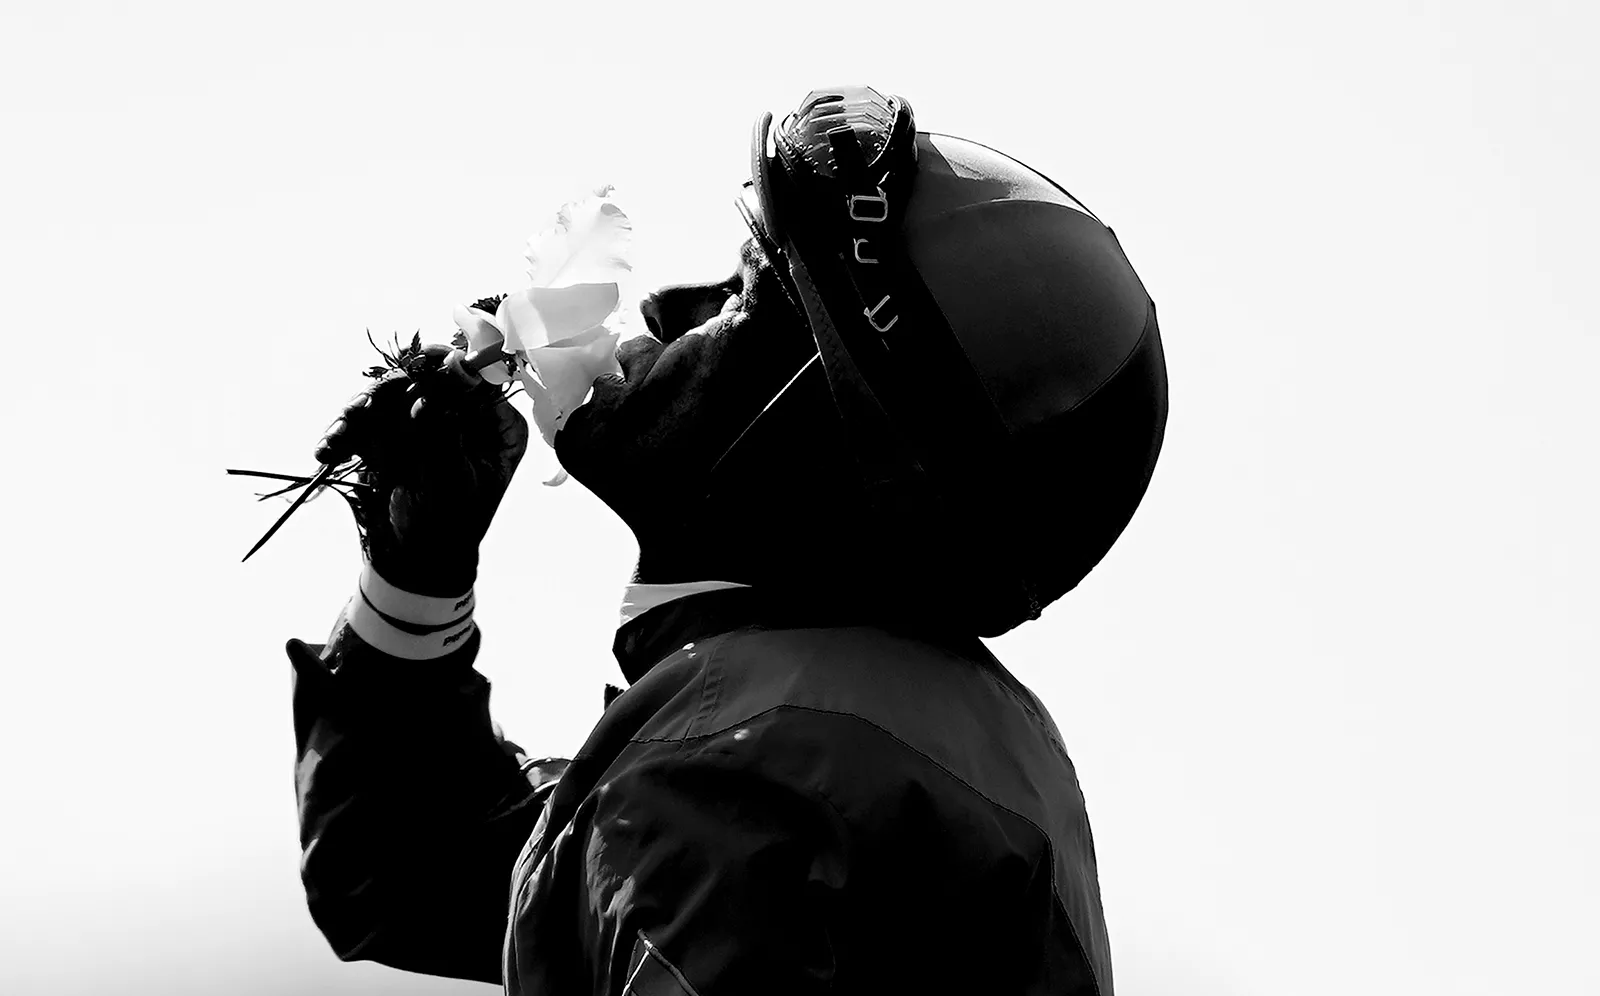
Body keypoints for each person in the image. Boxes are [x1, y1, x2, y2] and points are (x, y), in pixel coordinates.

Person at [289, 87, 1168, 995]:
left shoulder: (740, 774)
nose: (667, 303)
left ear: (831, 439)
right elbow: (400, 878)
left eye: (742, 292)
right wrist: (415, 572)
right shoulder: (893, 745)